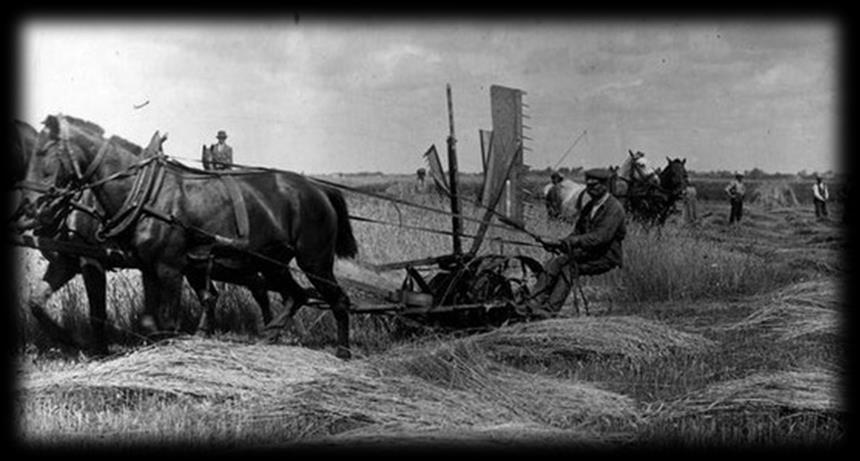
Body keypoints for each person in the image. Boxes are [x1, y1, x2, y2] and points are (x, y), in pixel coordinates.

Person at [518, 168, 627, 319]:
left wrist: (571, 242)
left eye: (594, 185)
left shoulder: (614, 209)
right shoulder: (590, 207)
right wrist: (559, 243)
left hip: (605, 257)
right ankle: (533, 304)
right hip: (588, 254)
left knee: (569, 268)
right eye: (588, 186)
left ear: (605, 185)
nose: (590, 189)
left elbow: (600, 238)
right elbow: (577, 232)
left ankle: (549, 311)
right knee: (555, 263)